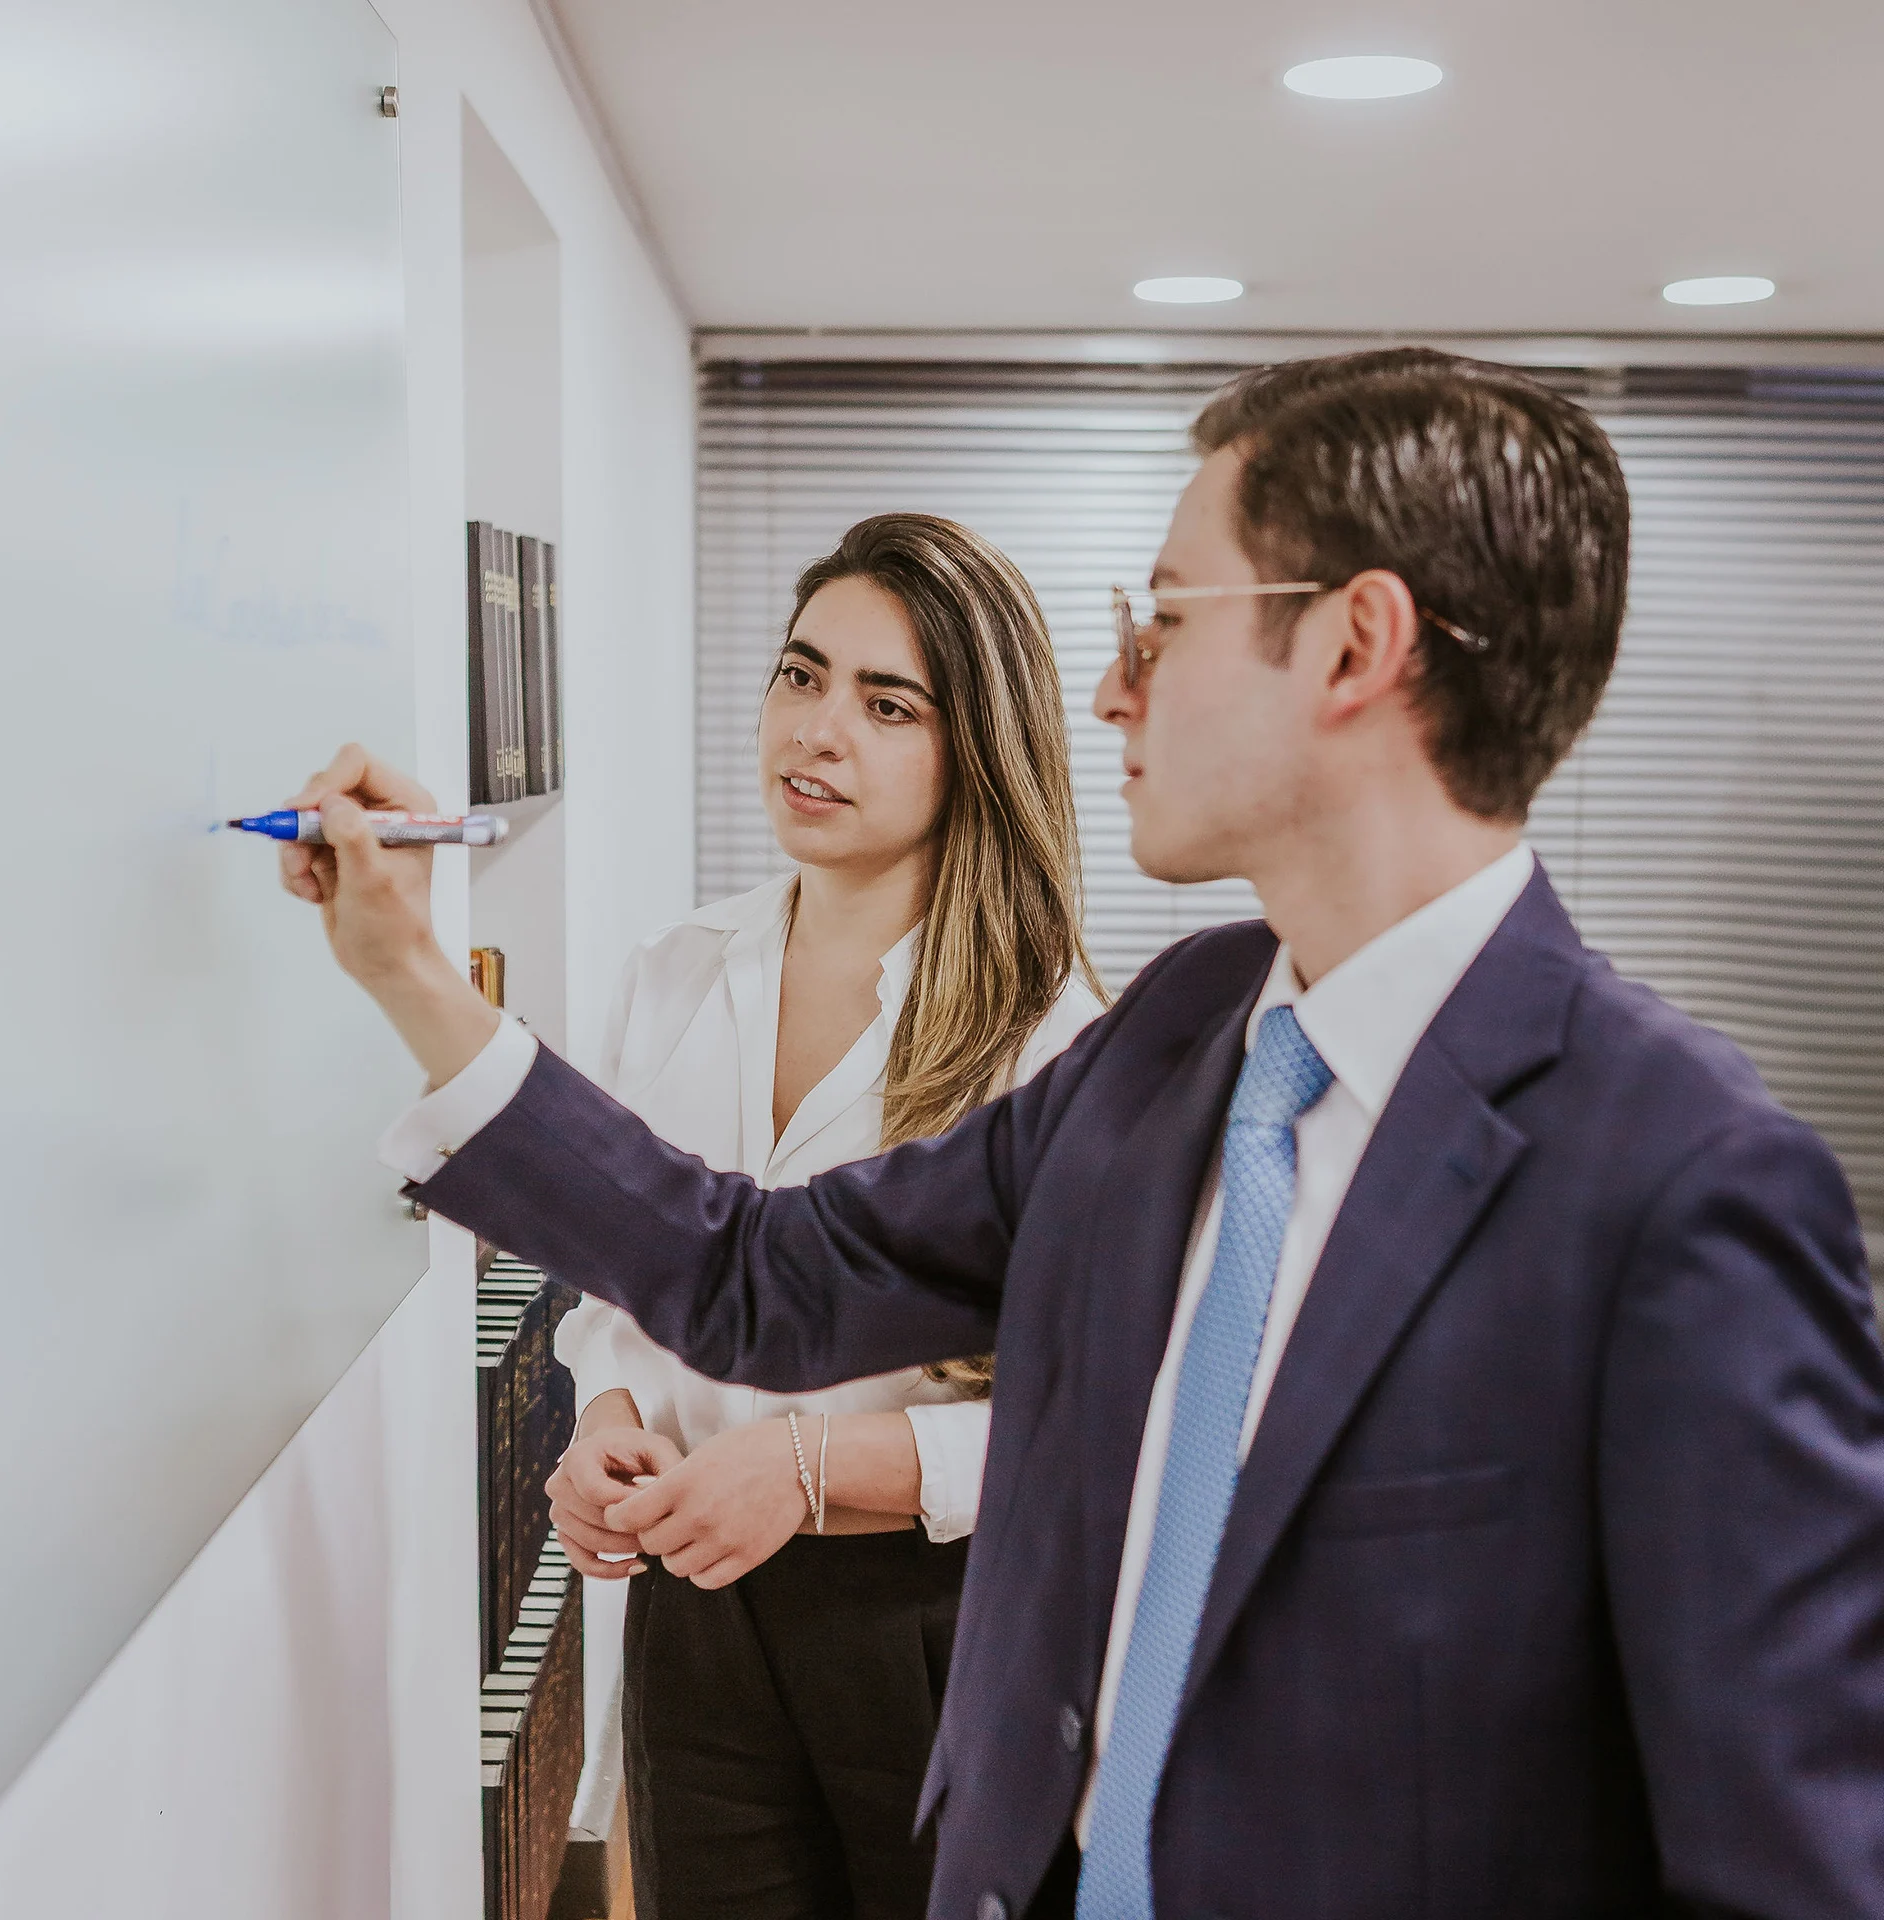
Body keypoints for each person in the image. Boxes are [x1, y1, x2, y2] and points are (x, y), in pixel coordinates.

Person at [282, 348, 1884, 1920]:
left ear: (1356, 647)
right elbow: (758, 1275)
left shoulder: (1683, 1181)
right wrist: (413, 972)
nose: (1114, 686)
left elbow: (1780, 1862)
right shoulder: (1188, 1031)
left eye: (1167, 620)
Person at [532, 513, 1102, 1918]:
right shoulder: (672, 973)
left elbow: (1095, 1418)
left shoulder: (1054, 1041)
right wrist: (602, 1422)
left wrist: (810, 1466)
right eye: (801, 676)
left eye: (884, 701)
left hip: (930, 1625)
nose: (818, 730)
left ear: (977, 745)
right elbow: (623, 1288)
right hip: (694, 1611)